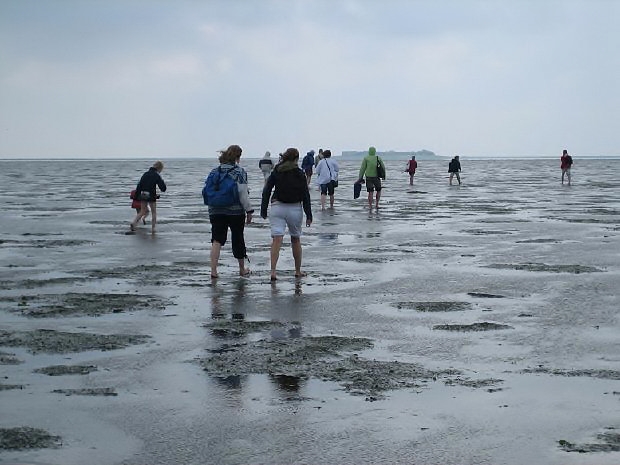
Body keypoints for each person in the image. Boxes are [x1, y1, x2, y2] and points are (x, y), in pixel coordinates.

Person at [261, 147, 313, 281]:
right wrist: (309, 214)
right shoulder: (300, 173)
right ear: (296, 159)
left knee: (276, 240)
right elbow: (305, 195)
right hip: (295, 208)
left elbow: (267, 190)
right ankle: (297, 271)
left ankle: (273, 271)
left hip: (277, 207)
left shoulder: (277, 170)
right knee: (295, 239)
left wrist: (263, 209)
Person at [206, 145, 254, 279]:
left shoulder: (214, 171)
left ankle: (214, 271)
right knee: (238, 238)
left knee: (216, 240)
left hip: (215, 210)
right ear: (237, 157)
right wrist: (249, 211)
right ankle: (241, 269)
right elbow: (243, 193)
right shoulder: (239, 172)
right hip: (235, 211)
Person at [130, 161, 166, 233]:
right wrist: (162, 183)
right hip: (151, 195)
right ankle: (153, 228)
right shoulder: (156, 175)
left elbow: (139, 185)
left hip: (143, 194)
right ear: (159, 168)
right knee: (153, 212)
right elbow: (163, 188)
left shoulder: (145, 174)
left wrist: (136, 195)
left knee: (142, 211)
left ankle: (133, 223)